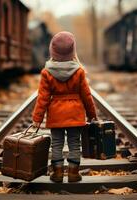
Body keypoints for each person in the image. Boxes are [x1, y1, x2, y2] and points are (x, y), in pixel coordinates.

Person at [32, 31, 97, 183]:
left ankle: (58, 173)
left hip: (56, 115)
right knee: (75, 143)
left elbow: (42, 98)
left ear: (52, 50)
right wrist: (92, 114)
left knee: (57, 144)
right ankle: (74, 173)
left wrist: (37, 119)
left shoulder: (46, 72)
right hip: (75, 115)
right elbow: (87, 96)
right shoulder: (79, 71)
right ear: (73, 50)